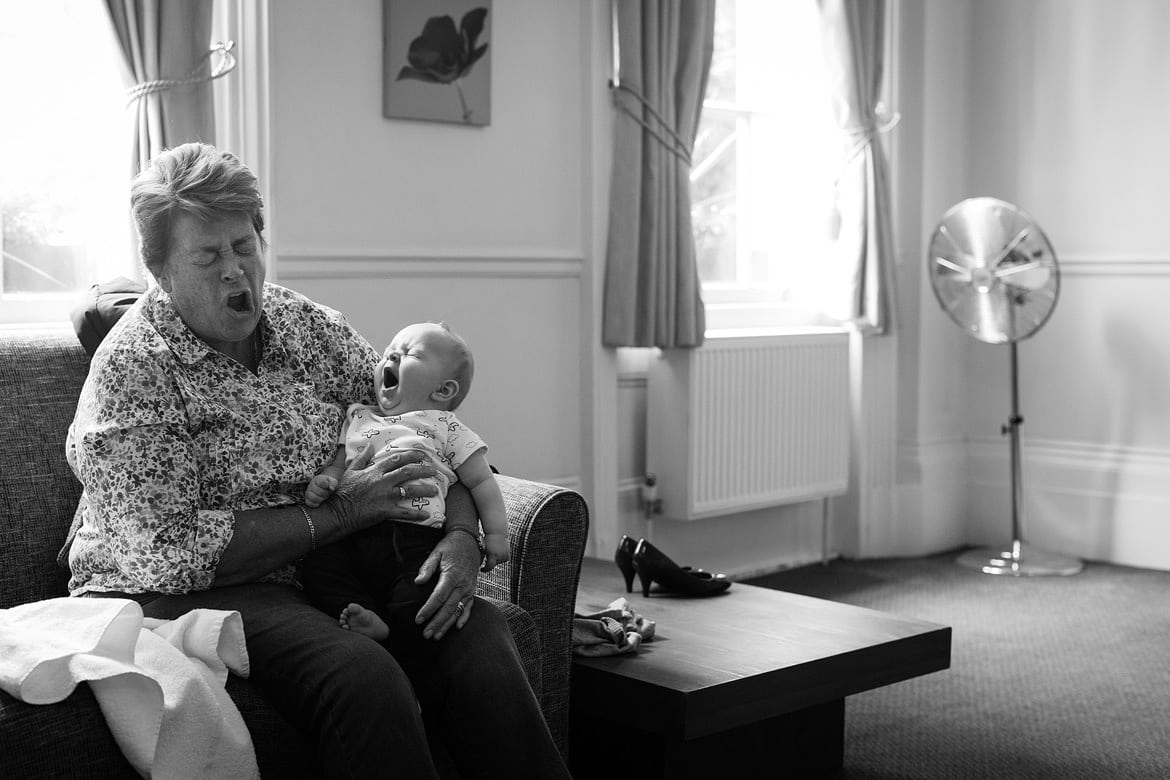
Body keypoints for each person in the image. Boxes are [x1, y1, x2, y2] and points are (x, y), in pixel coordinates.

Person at [64, 142, 569, 779]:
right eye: (208, 256)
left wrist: (463, 534)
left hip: (330, 565)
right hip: (185, 587)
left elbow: (417, 427)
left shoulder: (303, 326)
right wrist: (344, 513)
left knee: (476, 633)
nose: (235, 273)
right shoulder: (133, 371)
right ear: (160, 268)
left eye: (245, 247)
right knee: (363, 675)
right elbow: (176, 550)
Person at [301, 320, 510, 642]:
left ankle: (395, 634)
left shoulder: (447, 427)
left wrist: (495, 534)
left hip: (413, 537)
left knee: (422, 593)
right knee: (319, 570)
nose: (389, 360)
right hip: (352, 532)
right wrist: (326, 481)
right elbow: (340, 463)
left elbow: (481, 481)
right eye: (388, 353)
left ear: (443, 390)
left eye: (408, 354)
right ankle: (367, 617)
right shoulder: (359, 416)